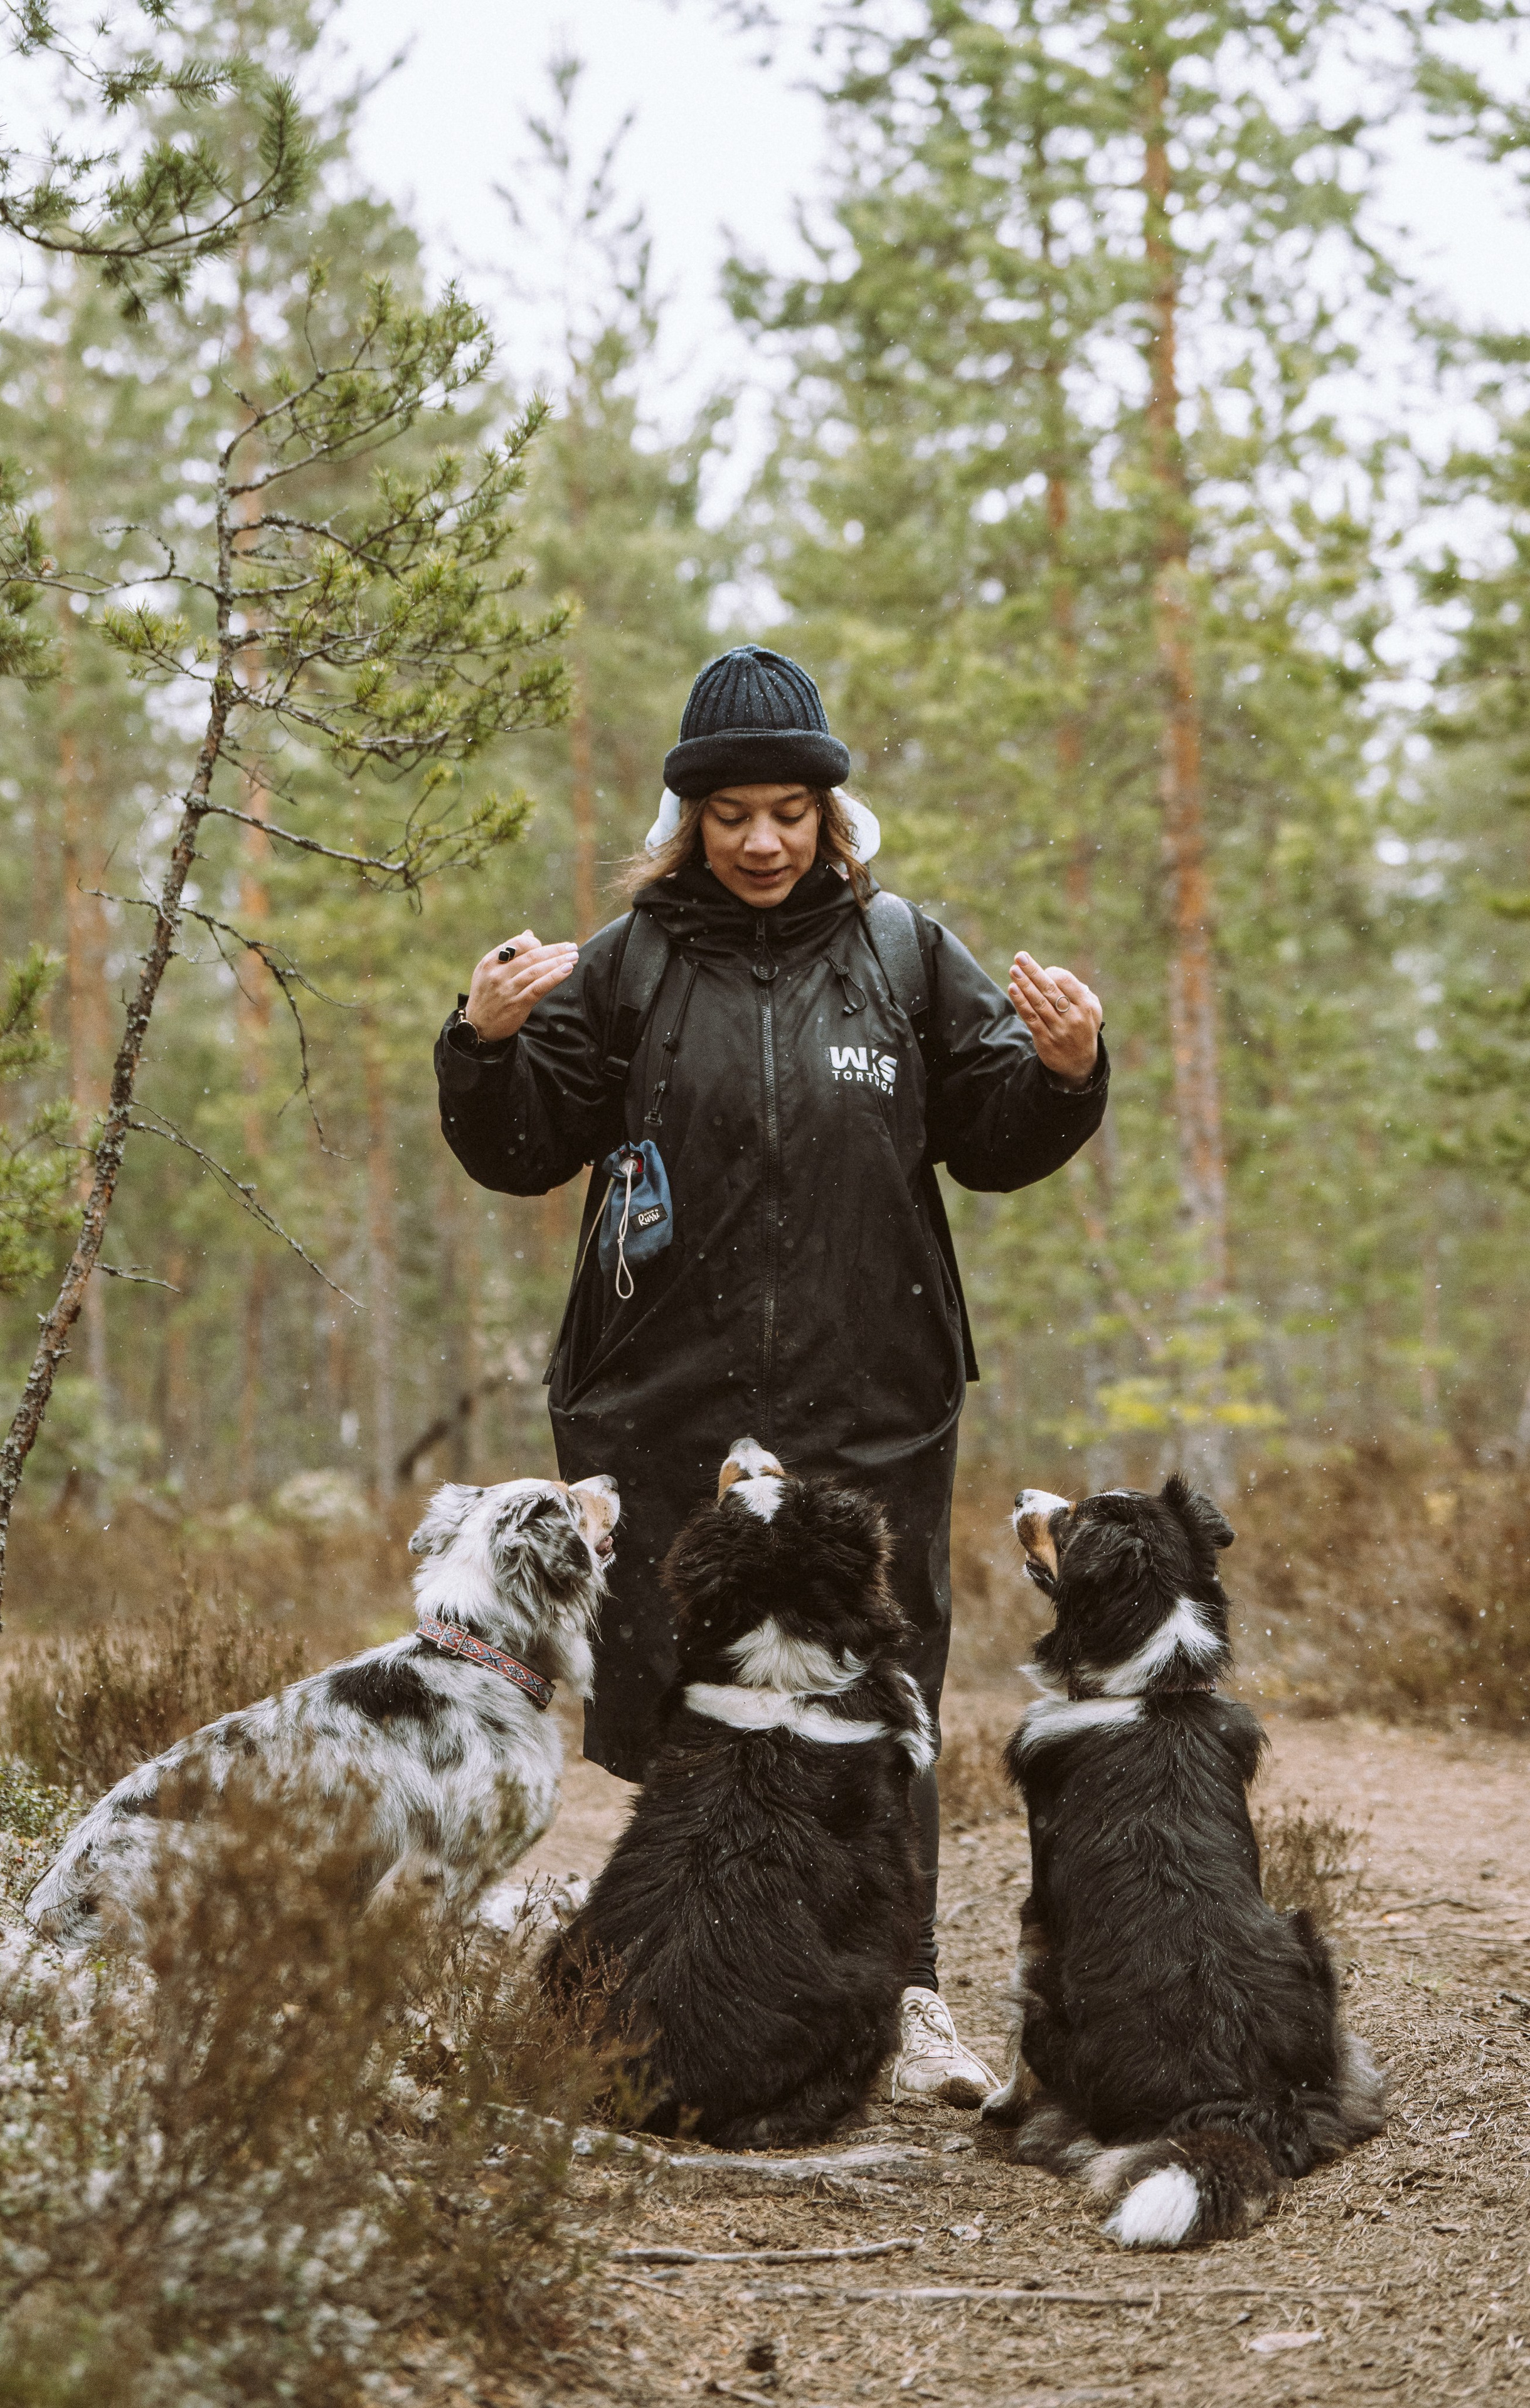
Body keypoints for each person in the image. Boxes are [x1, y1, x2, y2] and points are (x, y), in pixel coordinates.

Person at [434, 645, 1108, 2104]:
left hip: (872, 1388)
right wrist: (481, 1048)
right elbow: (515, 1147)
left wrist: (1061, 1070)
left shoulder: (905, 953)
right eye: (730, 812)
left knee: (884, 1680)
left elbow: (992, 1136)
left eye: (787, 811)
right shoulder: (623, 965)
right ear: (689, 820)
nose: (760, 838)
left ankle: (905, 1986)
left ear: (826, 815)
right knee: (686, 1689)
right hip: (666, 1393)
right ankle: (676, 1978)